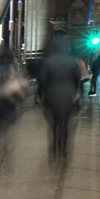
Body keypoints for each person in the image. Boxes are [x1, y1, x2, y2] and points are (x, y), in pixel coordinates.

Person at [38, 30, 82, 160]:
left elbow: (42, 81)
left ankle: (54, 144)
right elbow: (77, 79)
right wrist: (77, 95)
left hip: (52, 94)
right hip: (68, 94)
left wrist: (41, 95)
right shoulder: (72, 61)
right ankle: (63, 148)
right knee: (65, 122)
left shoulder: (47, 61)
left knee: (54, 122)